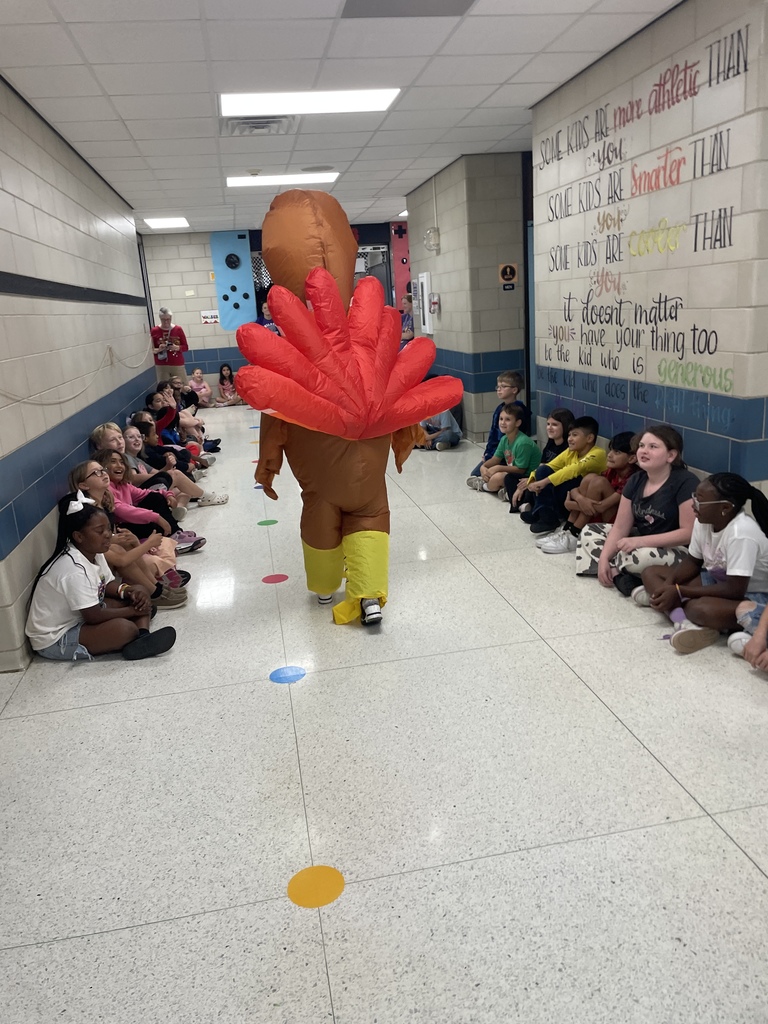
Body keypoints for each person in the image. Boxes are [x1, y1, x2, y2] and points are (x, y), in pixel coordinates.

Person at [25, 495, 176, 661]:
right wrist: (132, 611)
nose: (107, 535)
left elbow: (108, 582)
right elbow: (93, 615)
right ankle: (136, 629)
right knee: (124, 629)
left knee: (140, 590)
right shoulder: (74, 569)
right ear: (79, 536)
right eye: (99, 531)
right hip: (56, 637)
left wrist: (129, 592)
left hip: (80, 616)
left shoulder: (94, 551)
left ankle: (142, 637)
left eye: (108, 529)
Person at [634, 473, 768, 654]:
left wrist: (680, 591)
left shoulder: (741, 533)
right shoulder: (703, 521)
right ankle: (685, 621)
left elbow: (735, 589)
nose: (693, 503)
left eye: (700, 500)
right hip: (719, 581)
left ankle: (688, 615)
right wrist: (667, 587)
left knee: (700, 609)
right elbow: (692, 561)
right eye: (694, 496)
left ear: (725, 507)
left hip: (751, 595)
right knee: (651, 573)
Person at [576, 424, 698, 595]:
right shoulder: (635, 480)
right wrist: (604, 556)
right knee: (589, 532)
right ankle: (622, 576)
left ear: (671, 455)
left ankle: (623, 575)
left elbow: (689, 533)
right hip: (640, 540)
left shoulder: (685, 482)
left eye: (653, 447)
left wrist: (639, 542)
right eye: (641, 446)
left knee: (642, 557)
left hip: (677, 550)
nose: (643, 451)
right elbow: (620, 527)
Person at [68, 461, 188, 604]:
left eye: (103, 469)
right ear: (83, 485)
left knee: (128, 543)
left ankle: (156, 587)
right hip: (93, 564)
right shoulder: (87, 513)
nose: (103, 474)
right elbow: (116, 557)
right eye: (96, 473)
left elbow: (109, 536)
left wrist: (132, 541)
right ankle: (154, 593)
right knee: (122, 550)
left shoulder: (105, 500)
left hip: (106, 556)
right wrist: (147, 543)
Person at [538, 430, 638, 553]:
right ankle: (567, 530)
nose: (610, 455)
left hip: (617, 525)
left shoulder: (633, 478)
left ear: (632, 458)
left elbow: (600, 507)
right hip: (597, 513)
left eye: (617, 452)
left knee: (598, 482)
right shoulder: (612, 471)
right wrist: (580, 499)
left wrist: (571, 504)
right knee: (590, 477)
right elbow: (575, 491)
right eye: (611, 450)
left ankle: (574, 533)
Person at [511, 416, 606, 534]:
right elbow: (551, 465)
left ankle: (547, 515)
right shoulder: (571, 452)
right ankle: (544, 515)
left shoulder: (598, 453)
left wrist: (543, 482)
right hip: (567, 498)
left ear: (589, 438)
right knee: (542, 471)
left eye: (575, 435)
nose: (570, 439)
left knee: (566, 480)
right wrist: (531, 481)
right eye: (569, 435)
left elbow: (572, 470)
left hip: (579, 500)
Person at [505, 407, 574, 508]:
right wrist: (530, 479)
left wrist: (532, 480)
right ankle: (521, 504)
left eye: (554, 425)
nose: (549, 428)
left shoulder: (568, 447)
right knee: (510, 478)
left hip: (552, 481)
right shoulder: (551, 442)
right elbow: (541, 464)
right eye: (548, 424)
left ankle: (524, 503)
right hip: (539, 476)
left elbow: (559, 473)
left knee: (534, 484)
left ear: (566, 426)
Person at [467, 403, 539, 497]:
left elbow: (521, 470)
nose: (502, 422)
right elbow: (495, 459)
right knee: (492, 473)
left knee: (497, 477)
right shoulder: (504, 439)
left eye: (507, 419)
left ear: (518, 423)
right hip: (514, 474)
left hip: (527, 477)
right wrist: (483, 467)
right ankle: (504, 490)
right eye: (501, 419)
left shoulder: (523, 443)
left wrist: (498, 468)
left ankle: (484, 486)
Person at [468, 371, 529, 478]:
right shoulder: (499, 409)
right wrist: (487, 453)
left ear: (514, 390)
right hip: (495, 453)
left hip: (509, 455)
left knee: (491, 475)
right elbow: (493, 434)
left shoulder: (520, 411)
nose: (499, 389)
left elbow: (513, 439)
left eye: (503, 386)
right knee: (476, 474)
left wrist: (496, 457)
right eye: (498, 386)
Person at [150, 307, 188, 382]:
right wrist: (159, 349)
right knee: (164, 388)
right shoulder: (154, 330)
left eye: (168, 319)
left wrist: (176, 348)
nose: (166, 322)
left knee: (182, 386)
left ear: (171, 318)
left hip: (177, 363)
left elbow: (186, 347)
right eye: (163, 320)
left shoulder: (178, 329)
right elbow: (152, 350)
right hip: (162, 364)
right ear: (160, 318)